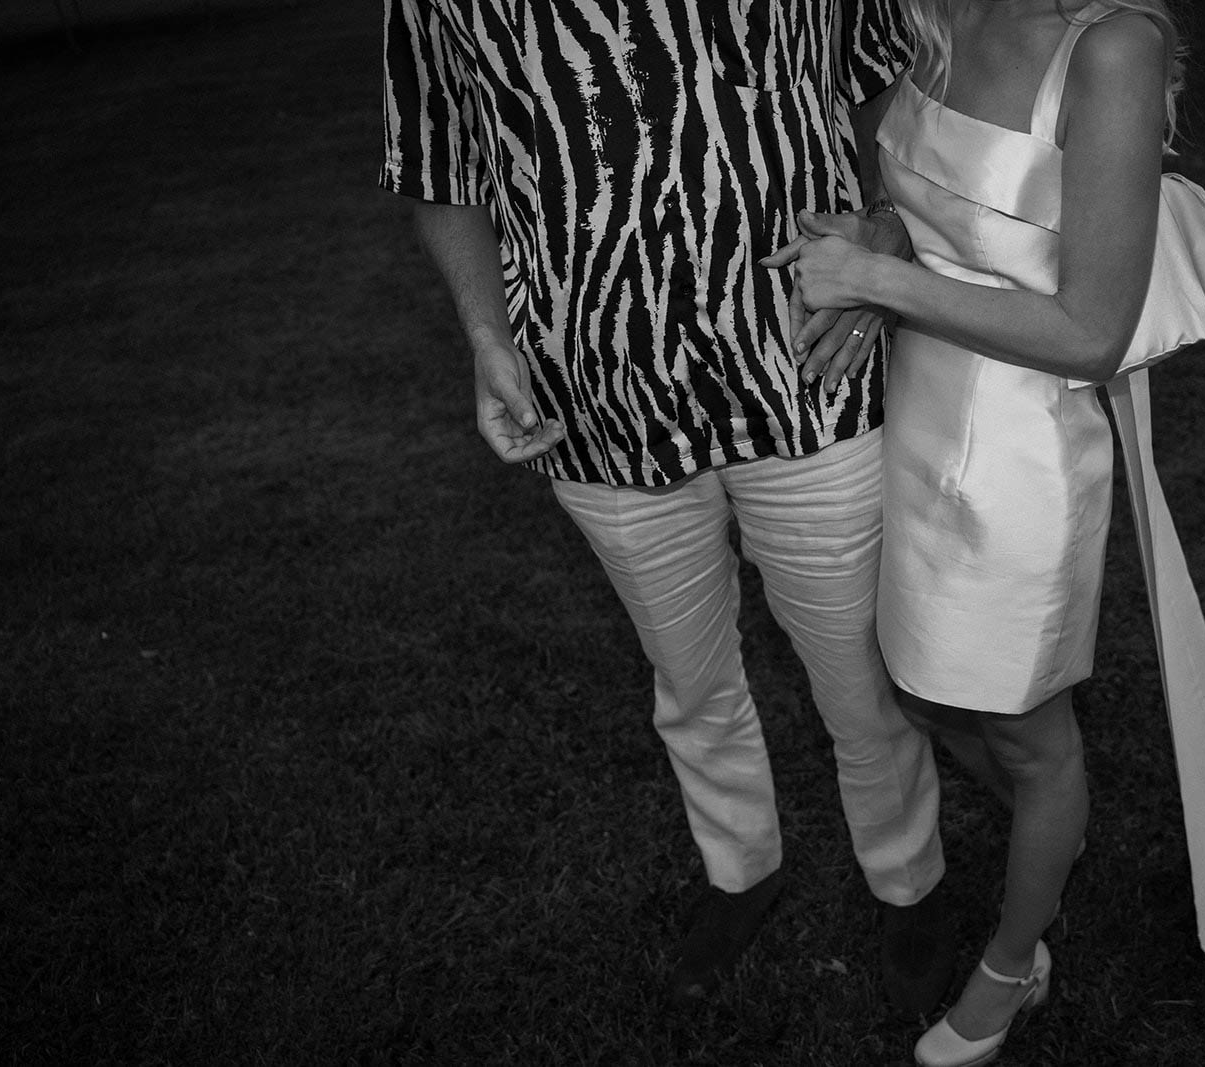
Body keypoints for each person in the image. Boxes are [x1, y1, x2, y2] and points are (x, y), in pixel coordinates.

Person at [379, 0, 957, 1014]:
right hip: (593, 389)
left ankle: (908, 877)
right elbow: (443, 164)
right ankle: (741, 867)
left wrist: (888, 231)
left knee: (863, 671)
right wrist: (485, 334)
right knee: (687, 672)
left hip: (805, 365)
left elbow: (896, 83)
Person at [765, 0, 1186, 1061]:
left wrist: (874, 280)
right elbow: (947, 201)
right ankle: (1060, 832)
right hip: (918, 415)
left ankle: (1011, 963)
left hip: (1019, 457)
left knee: (1030, 732)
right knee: (925, 690)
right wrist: (882, 235)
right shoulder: (943, 15)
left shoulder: (1110, 48)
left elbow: (1091, 332)